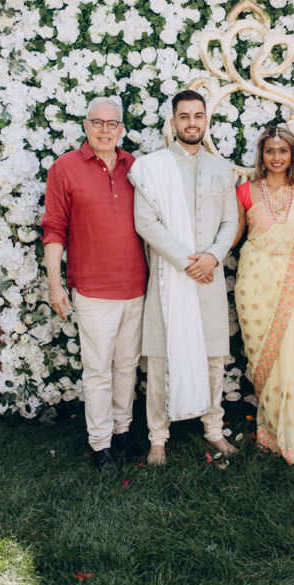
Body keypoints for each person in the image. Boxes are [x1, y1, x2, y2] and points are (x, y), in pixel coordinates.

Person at [129, 89, 239, 466]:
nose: (192, 122)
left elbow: (231, 221)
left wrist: (212, 257)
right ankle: (158, 438)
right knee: (162, 359)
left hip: (209, 277)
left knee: (212, 358)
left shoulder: (221, 168)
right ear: (173, 121)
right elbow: (145, 223)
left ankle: (213, 429)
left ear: (206, 120)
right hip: (169, 277)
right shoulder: (153, 167)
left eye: (198, 115)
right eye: (184, 116)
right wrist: (186, 262)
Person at [42, 96, 147, 472]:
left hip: (136, 286)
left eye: (112, 123)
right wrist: (55, 285)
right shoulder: (65, 168)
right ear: (86, 126)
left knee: (127, 366)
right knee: (99, 370)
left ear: (122, 129)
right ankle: (101, 444)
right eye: (97, 122)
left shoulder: (135, 167)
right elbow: (54, 229)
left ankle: (122, 431)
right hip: (92, 289)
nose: (105, 130)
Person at [233, 126, 294, 466]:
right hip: (253, 280)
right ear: (262, 155)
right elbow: (235, 235)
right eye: (270, 151)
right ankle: (268, 430)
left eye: (283, 151)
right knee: (260, 357)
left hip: (292, 278)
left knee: (292, 353)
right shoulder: (245, 191)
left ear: (292, 155)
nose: (277, 157)